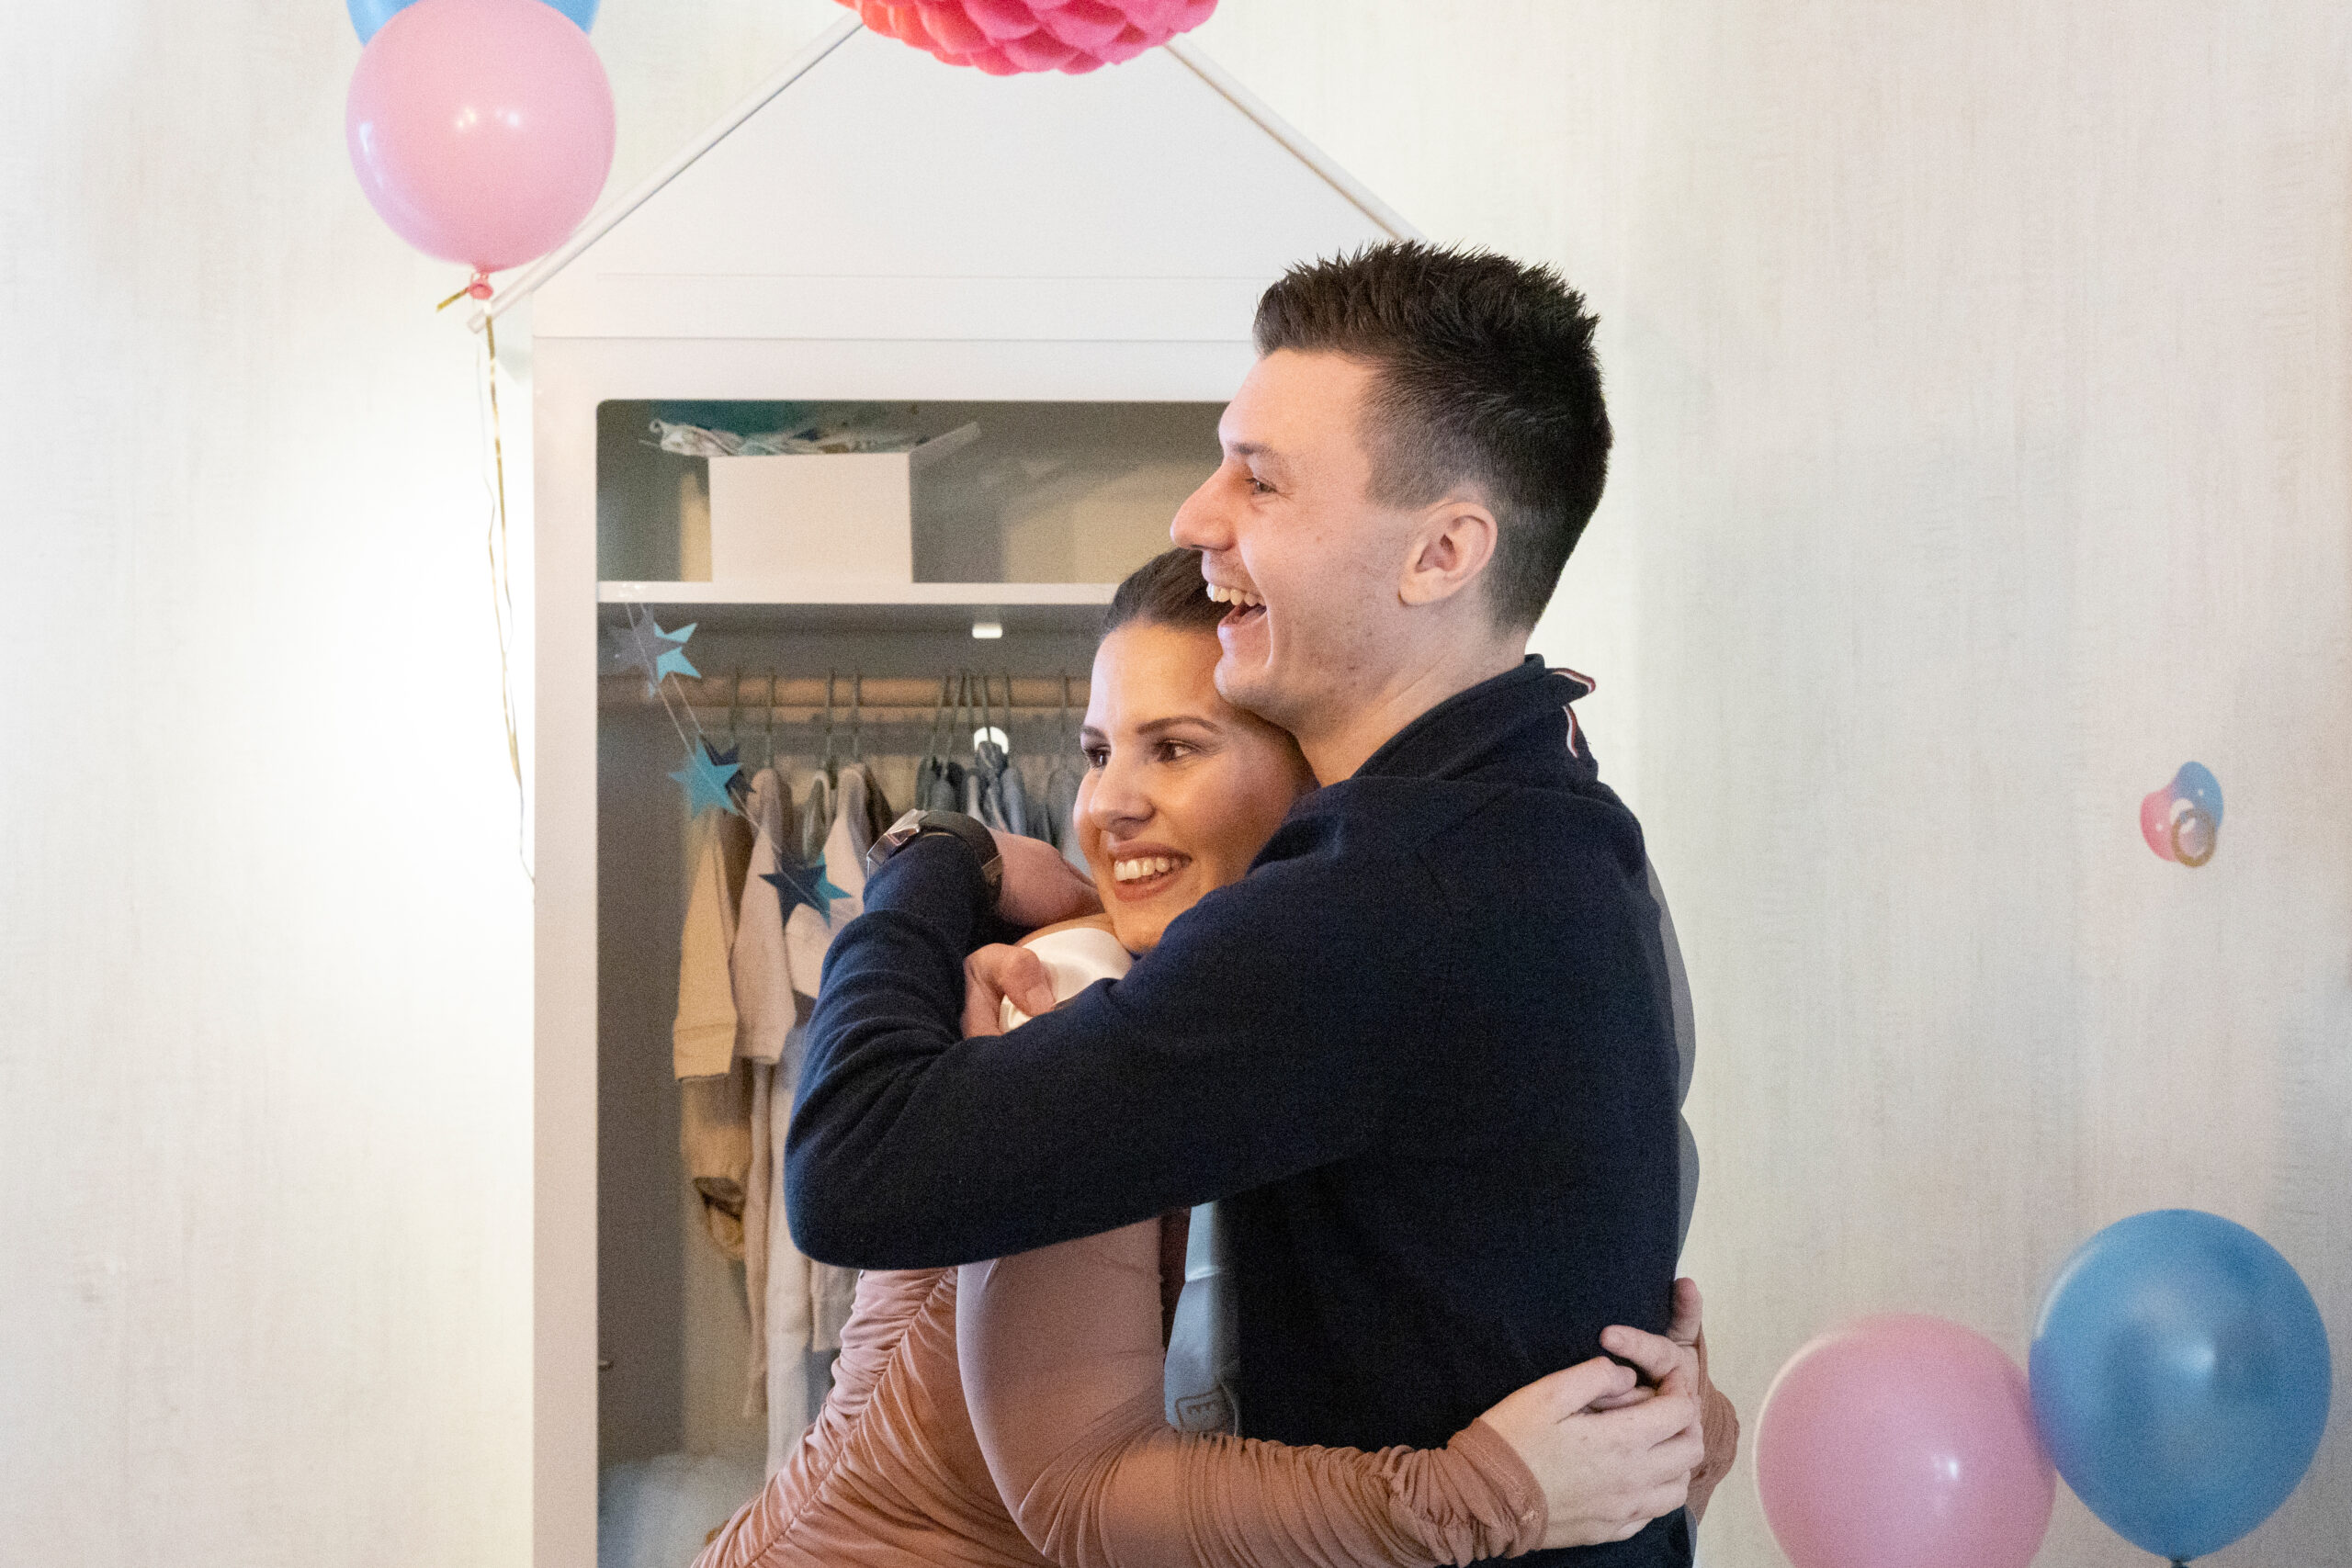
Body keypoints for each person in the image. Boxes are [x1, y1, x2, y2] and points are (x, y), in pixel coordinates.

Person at [789, 243, 1731, 1564]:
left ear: (1442, 552)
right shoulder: (1569, 829)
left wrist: (930, 860)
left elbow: (853, 1168)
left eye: (1260, 478)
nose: (1196, 514)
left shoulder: (1381, 902)